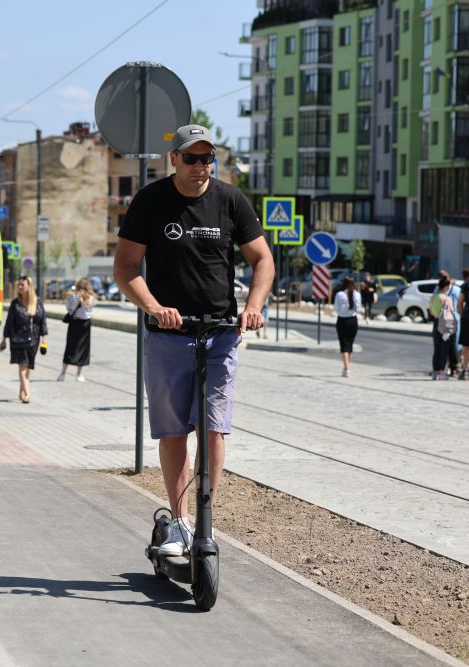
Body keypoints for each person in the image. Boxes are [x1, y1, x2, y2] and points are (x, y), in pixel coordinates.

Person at [113, 123, 273, 557]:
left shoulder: (230, 200)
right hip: (168, 335)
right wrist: (153, 307)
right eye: (192, 158)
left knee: (213, 426)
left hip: (220, 332)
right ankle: (179, 523)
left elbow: (262, 259)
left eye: (208, 158)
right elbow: (126, 267)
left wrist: (254, 305)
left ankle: (204, 520)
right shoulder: (151, 201)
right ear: (174, 160)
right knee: (173, 431)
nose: (201, 166)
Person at [0, 275, 48, 403]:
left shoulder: (38, 302)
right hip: (18, 339)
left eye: (22, 285)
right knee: (23, 365)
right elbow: (9, 322)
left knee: (27, 366)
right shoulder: (15, 304)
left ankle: (21, 391)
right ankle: (27, 393)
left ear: (29, 286)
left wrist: (44, 339)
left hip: (34, 340)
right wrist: (4, 339)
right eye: (19, 285)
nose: (20, 287)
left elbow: (42, 321)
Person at [58, 277, 95, 382]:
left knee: (70, 347)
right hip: (86, 324)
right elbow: (90, 311)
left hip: (74, 323)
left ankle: (63, 373)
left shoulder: (72, 296)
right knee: (83, 349)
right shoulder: (91, 298)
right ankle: (79, 374)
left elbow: (69, 310)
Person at [428, 275, 457, 381]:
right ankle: (441, 373)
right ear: (446, 287)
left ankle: (435, 373)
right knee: (444, 349)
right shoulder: (446, 298)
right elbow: (450, 313)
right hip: (444, 325)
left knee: (437, 349)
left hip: (436, 323)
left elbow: (430, 311)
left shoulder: (433, 297)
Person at [334, 277, 362, 377]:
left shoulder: (339, 294)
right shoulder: (357, 294)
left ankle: (346, 368)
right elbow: (358, 308)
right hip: (353, 321)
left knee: (344, 345)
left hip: (342, 320)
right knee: (350, 344)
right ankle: (347, 367)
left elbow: (336, 309)